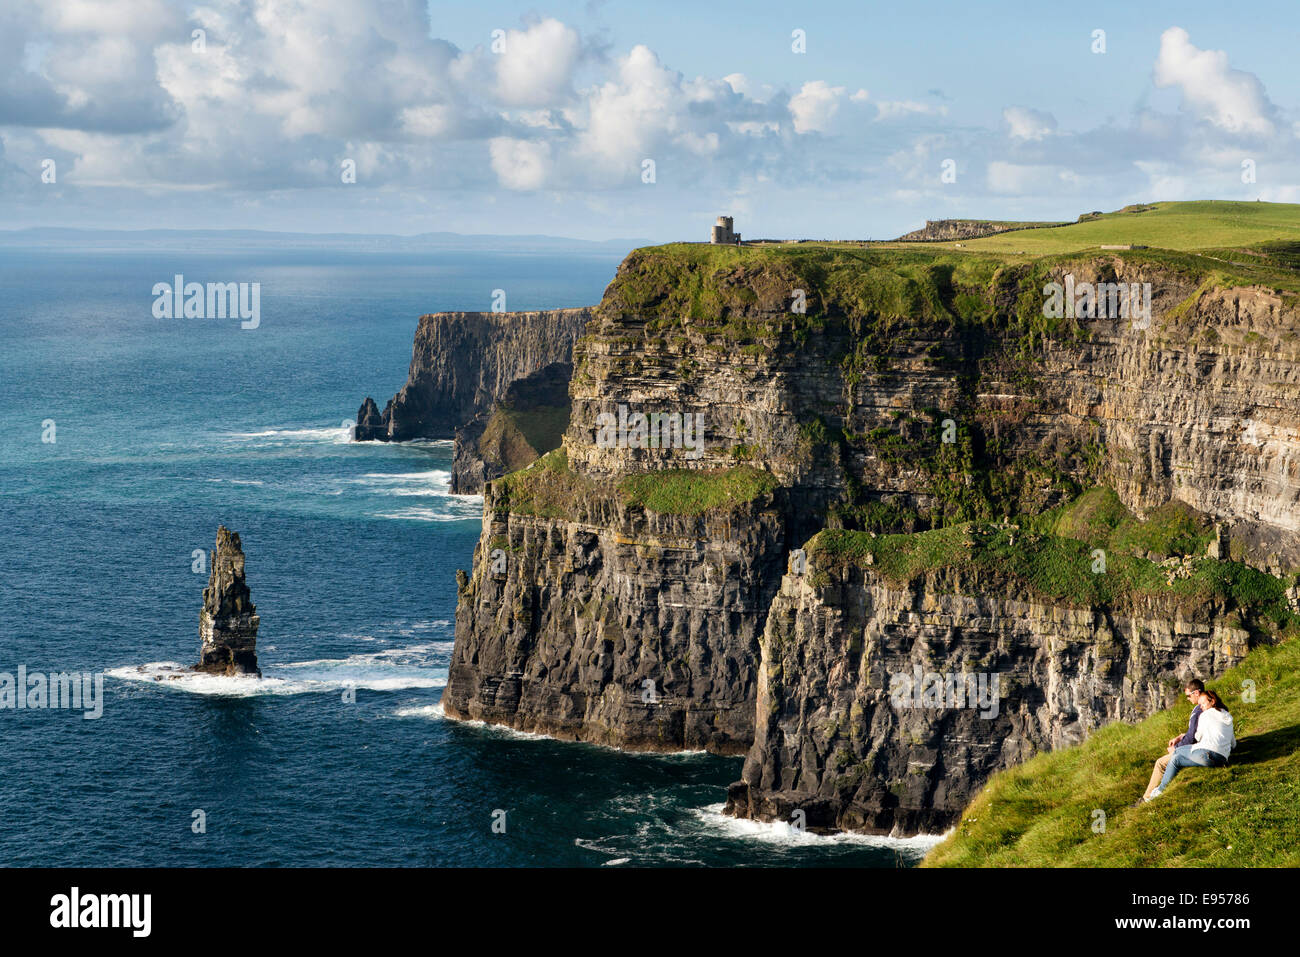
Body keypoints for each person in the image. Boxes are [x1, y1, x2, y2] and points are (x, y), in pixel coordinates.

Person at [1146, 688, 1235, 800]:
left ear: (1212, 701)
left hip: (1206, 754)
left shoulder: (1205, 715)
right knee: (1177, 759)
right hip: (1222, 759)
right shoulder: (1228, 716)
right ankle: (1159, 790)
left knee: (1176, 752)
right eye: (1200, 704)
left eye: (1203, 703)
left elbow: (1198, 736)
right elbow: (1233, 743)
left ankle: (1159, 791)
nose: (1201, 707)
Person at [1140, 679, 1204, 803]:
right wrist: (1182, 735)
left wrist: (1176, 748)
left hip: (1199, 749)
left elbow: (1191, 738)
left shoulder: (1199, 709)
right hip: (1204, 746)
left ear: (1196, 693)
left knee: (1160, 763)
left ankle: (1147, 798)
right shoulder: (1207, 705)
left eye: (1188, 696)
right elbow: (1197, 731)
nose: (1187, 699)